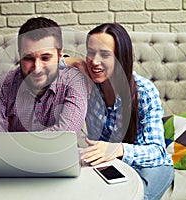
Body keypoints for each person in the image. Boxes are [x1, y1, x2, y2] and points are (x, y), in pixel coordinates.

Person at [65, 23, 174, 200]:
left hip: (151, 167)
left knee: (138, 196)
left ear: (120, 57)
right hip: (113, 164)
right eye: (91, 53)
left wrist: (117, 149)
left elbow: (157, 152)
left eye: (105, 54)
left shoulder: (144, 91)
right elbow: (47, 61)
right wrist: (76, 62)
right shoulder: (88, 85)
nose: (94, 61)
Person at [0, 17, 88, 134]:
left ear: (59, 56)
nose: (37, 69)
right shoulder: (5, 83)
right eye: (28, 58)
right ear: (20, 55)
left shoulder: (74, 80)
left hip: (53, 152)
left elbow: (66, 132)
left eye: (45, 58)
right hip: (10, 152)